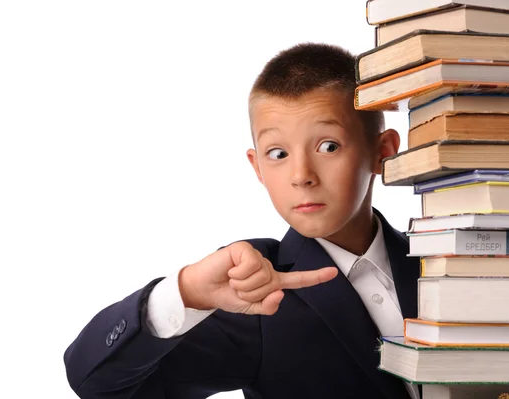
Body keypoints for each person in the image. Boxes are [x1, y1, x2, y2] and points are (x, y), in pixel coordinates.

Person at [64, 42, 420, 399]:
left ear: (382, 151)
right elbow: (99, 385)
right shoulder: (254, 292)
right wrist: (186, 292)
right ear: (258, 168)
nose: (301, 175)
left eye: (328, 146)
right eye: (277, 153)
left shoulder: (443, 257)